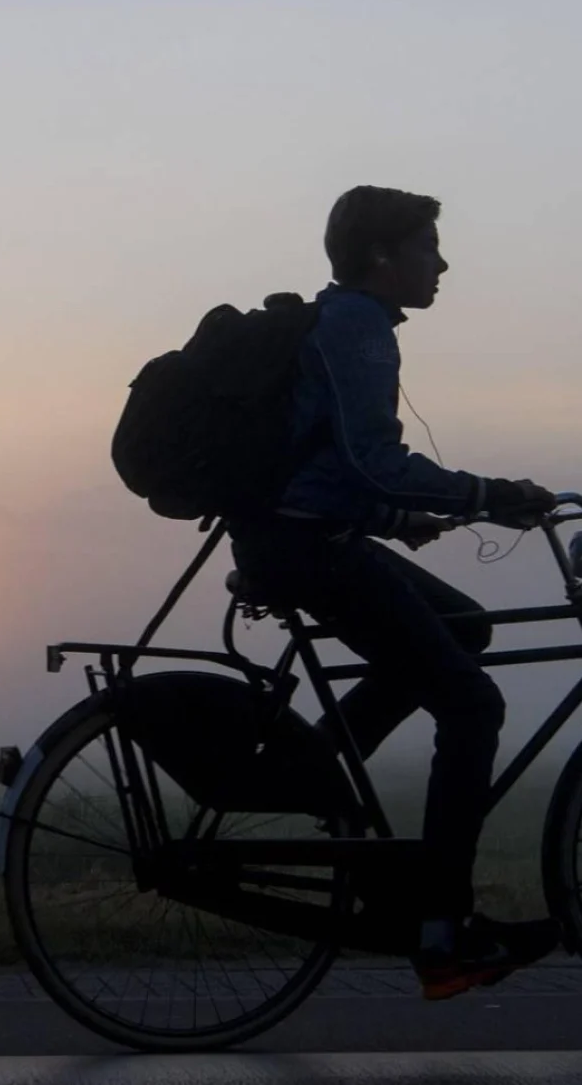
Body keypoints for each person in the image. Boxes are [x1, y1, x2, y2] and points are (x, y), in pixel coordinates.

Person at [227, 185, 560, 1001]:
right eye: (428, 246)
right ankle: (442, 933)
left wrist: (399, 516)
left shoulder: (344, 321)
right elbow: (372, 458)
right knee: (474, 706)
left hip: (303, 534)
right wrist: (487, 494)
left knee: (465, 629)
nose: (441, 263)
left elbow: (338, 467)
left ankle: (319, 772)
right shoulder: (358, 327)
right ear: (382, 255)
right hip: (308, 548)